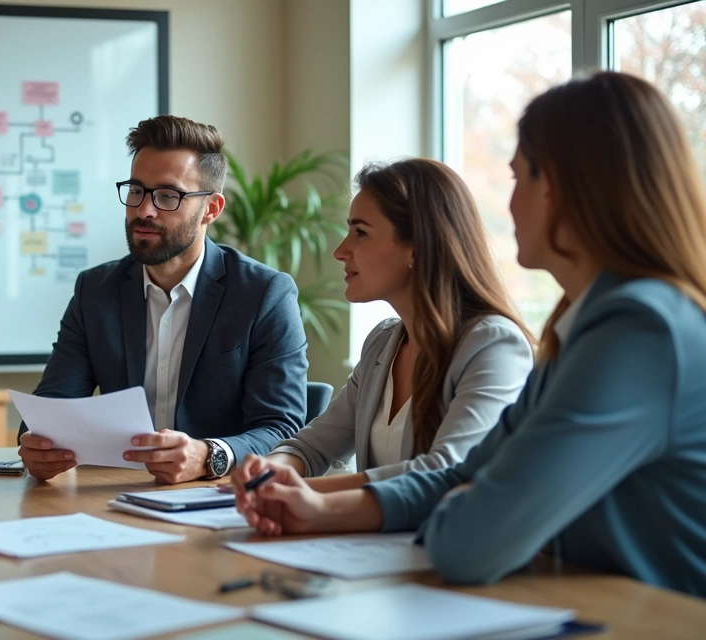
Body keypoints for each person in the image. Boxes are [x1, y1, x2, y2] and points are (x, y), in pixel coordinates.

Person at [232, 71, 706, 597]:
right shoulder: (581, 328)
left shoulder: (639, 332)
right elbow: (462, 477)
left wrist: (462, 504)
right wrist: (318, 510)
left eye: (517, 178)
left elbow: (469, 541)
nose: (508, 204)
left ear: (554, 189)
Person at [18, 115, 309, 485]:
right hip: (115, 493)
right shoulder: (96, 290)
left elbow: (282, 428)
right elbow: (53, 404)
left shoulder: (264, 294)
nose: (144, 210)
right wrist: (37, 444)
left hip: (218, 498)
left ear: (211, 209)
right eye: (136, 191)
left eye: (168, 196)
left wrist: (209, 456)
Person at [266, 159, 533, 492]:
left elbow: (445, 470)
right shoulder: (383, 342)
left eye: (360, 233)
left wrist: (306, 493)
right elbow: (312, 446)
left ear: (417, 247)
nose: (340, 251)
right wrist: (270, 470)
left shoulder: (493, 346)